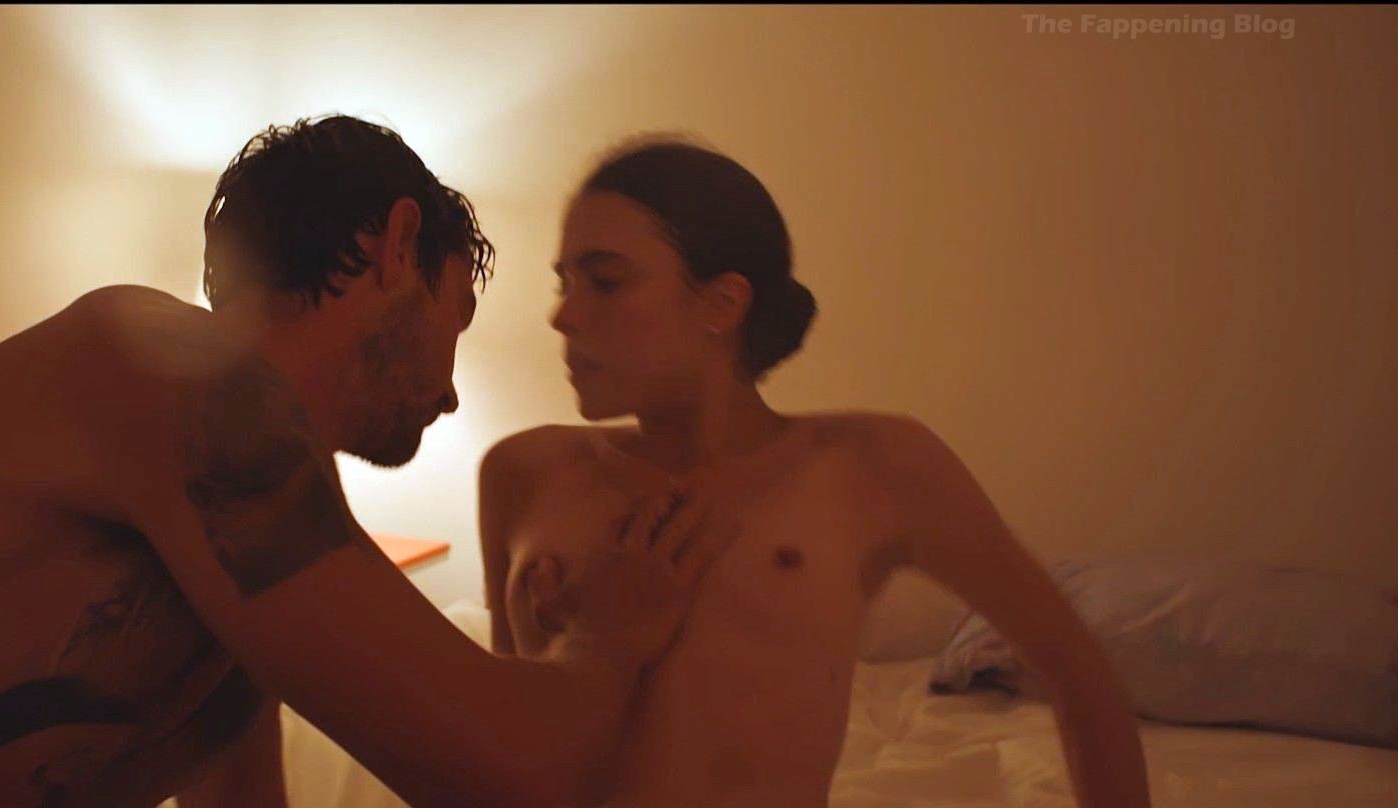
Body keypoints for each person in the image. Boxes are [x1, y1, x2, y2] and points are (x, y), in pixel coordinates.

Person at [0, 115, 735, 808]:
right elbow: (509, 774)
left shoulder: (240, 544)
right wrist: (606, 635)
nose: (449, 391)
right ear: (399, 248)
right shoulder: (166, 370)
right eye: (456, 319)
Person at [479, 138, 1153, 807]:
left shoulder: (872, 465)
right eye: (563, 283)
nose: (563, 315)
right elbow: (494, 755)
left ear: (721, 304)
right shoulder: (523, 473)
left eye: (605, 282)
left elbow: (1077, 669)